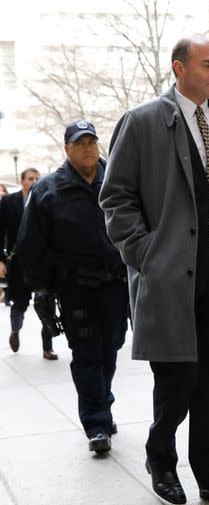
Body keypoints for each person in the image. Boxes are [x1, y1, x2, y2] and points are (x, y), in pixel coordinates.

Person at [100, 35, 209, 505]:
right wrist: (145, 253)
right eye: (207, 64)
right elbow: (115, 198)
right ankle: (162, 461)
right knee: (177, 381)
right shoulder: (142, 122)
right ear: (179, 68)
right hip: (170, 277)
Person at [15, 121, 127, 454]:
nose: (88, 148)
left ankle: (102, 401)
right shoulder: (49, 189)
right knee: (87, 353)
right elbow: (30, 244)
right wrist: (41, 290)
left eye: (92, 141)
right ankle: (97, 423)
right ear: (67, 149)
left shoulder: (118, 180)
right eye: (80, 143)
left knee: (112, 346)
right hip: (75, 286)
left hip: (115, 284)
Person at [0, 168, 57, 359]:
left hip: (42, 263)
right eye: (30, 178)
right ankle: (15, 330)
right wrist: (1, 259)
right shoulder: (9, 202)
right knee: (20, 304)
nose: (34, 181)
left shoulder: (47, 198)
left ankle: (47, 347)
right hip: (18, 263)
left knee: (46, 303)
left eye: (37, 178)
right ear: (22, 181)